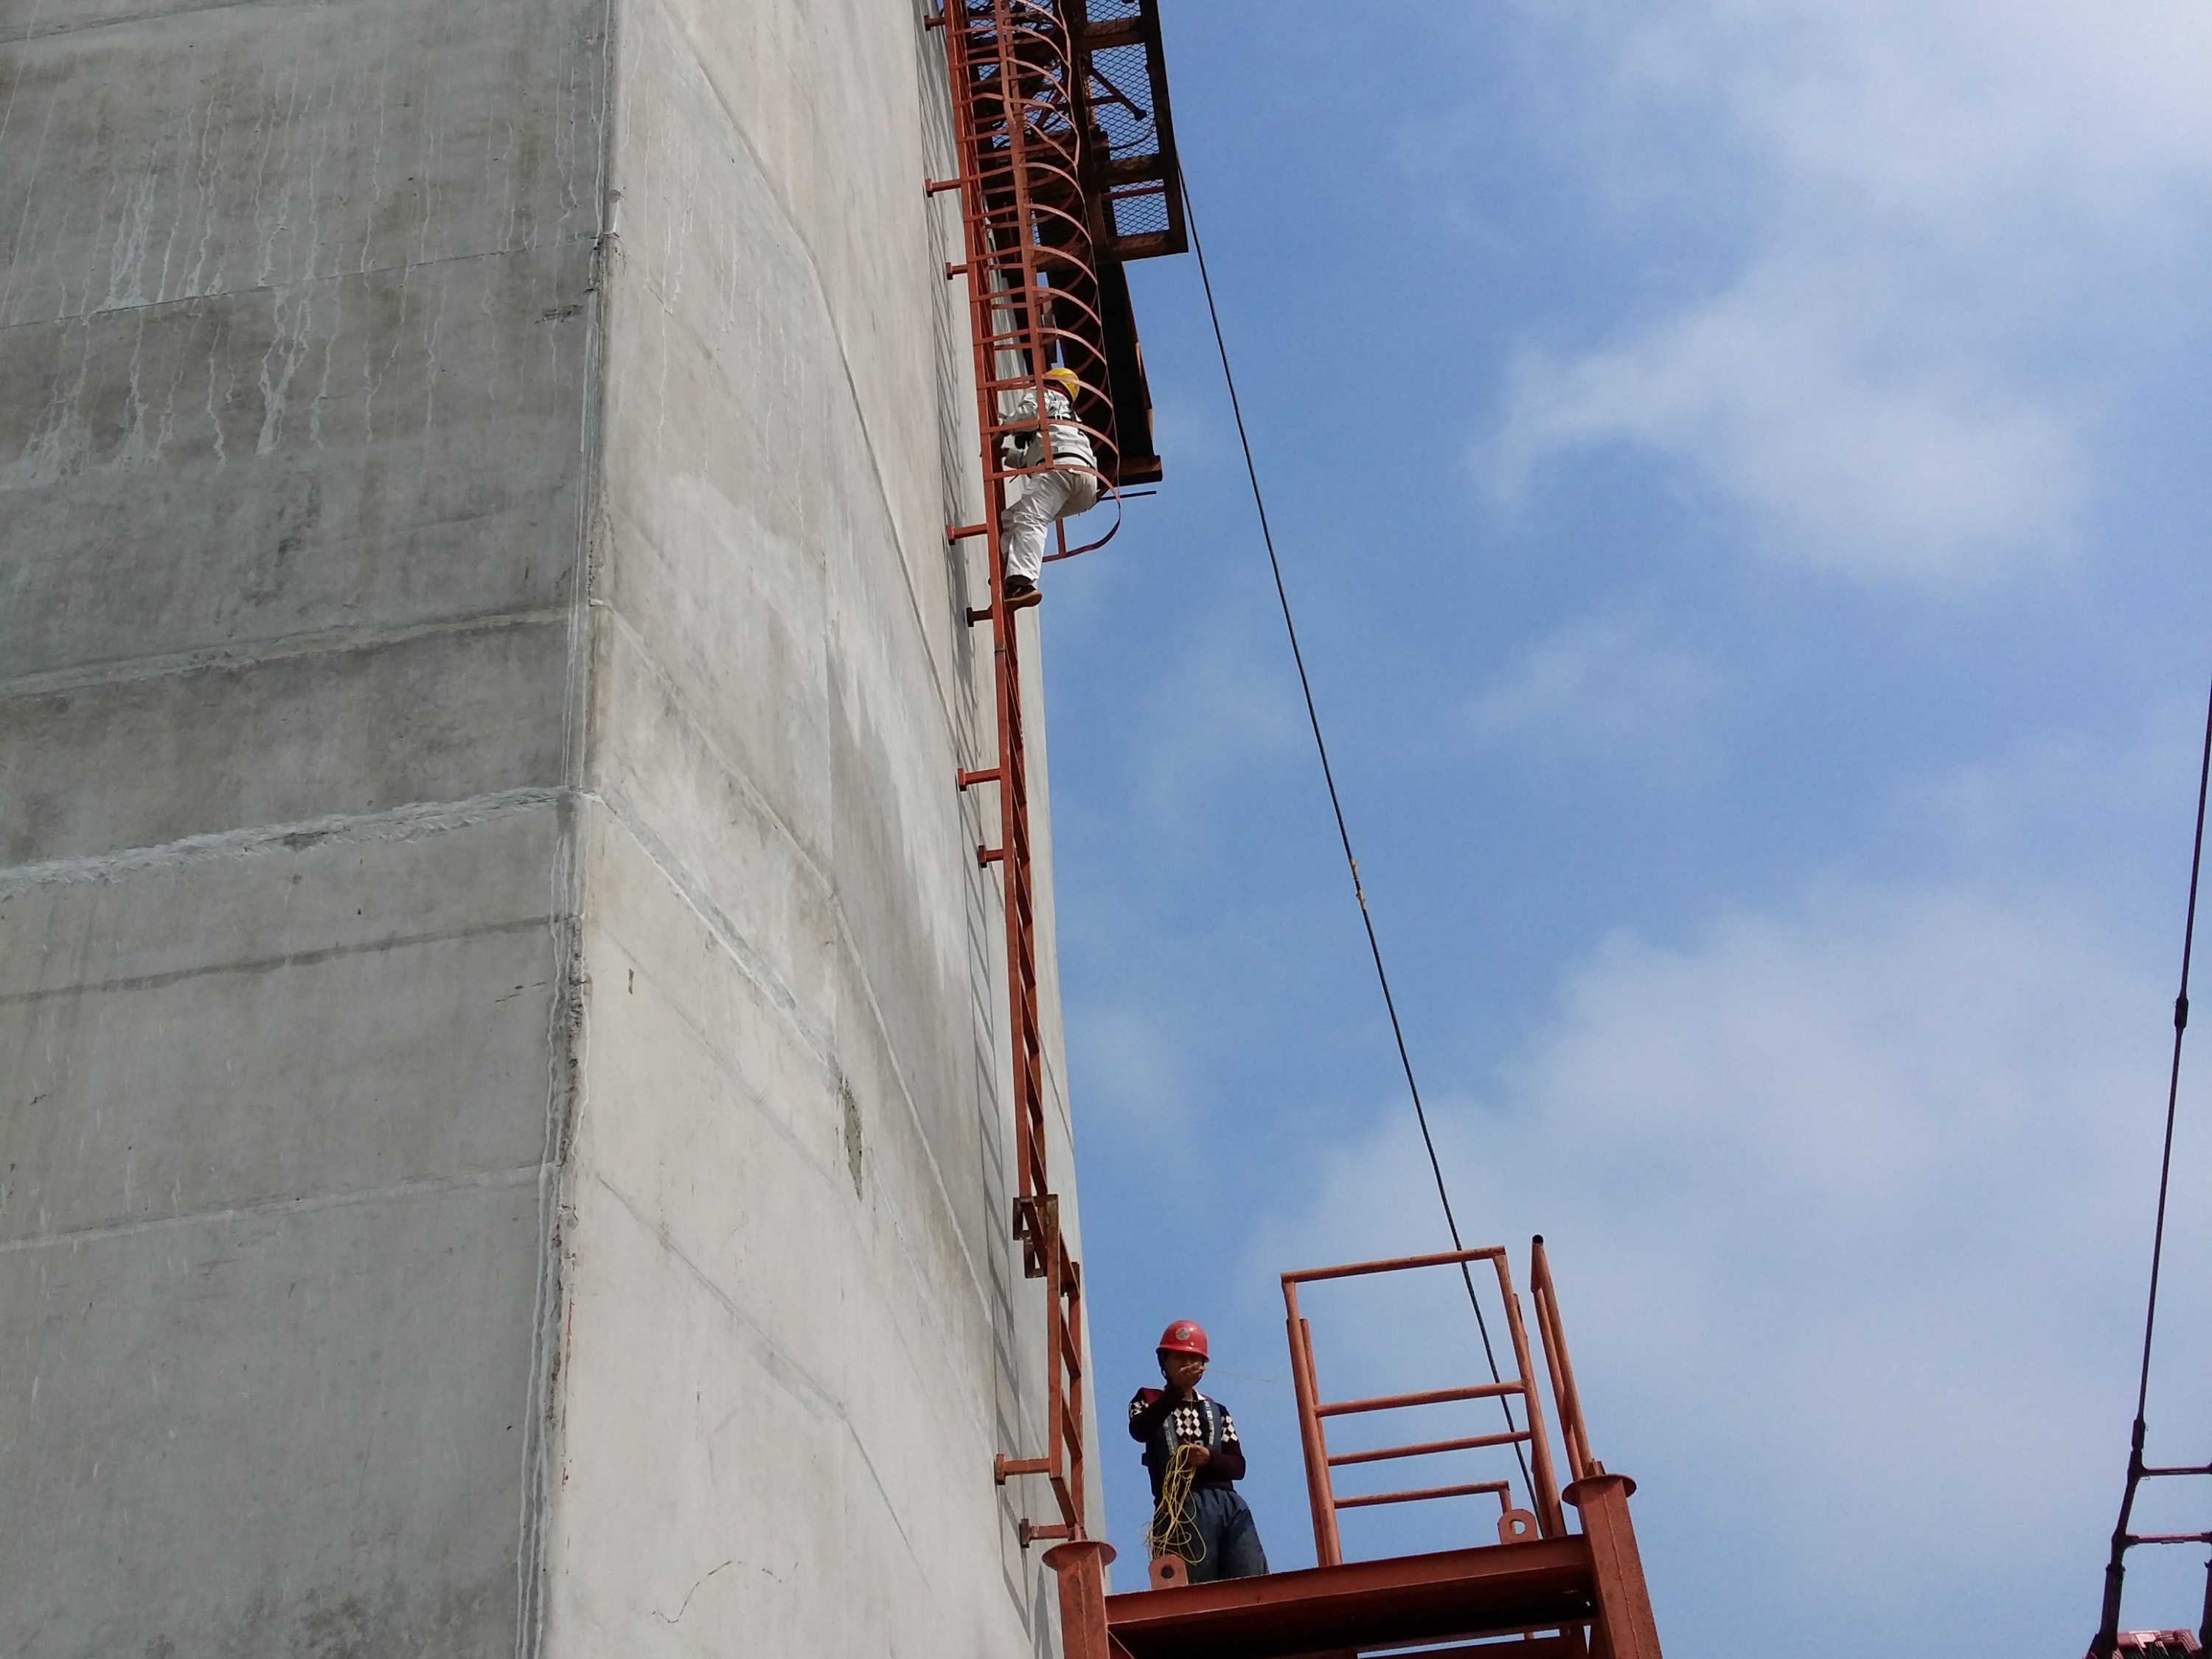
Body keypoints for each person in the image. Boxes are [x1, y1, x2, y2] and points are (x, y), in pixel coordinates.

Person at [1127, 1319, 1269, 1583]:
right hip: (1180, 1505)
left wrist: (1209, 1458)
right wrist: (1174, 1393)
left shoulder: (1217, 1411)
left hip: (1227, 1503)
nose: (1186, 1363)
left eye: (1193, 1358)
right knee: (1195, 1584)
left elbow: (1238, 1467)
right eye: (1179, 1356)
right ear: (1164, 1362)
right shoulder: (1147, 1400)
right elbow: (1139, 1430)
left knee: (1249, 1577)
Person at [997, 364, 1099, 606]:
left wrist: (1004, 426)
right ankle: (1012, 569)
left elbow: (1029, 416)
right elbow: (1043, 450)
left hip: (1060, 468)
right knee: (1013, 516)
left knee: (1030, 518)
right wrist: (1007, 454)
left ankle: (1022, 581)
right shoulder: (1070, 417)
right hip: (1085, 483)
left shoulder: (1046, 391)